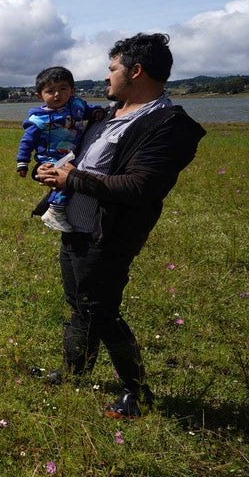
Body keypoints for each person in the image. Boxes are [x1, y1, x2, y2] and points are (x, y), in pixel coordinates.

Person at [32, 33, 206, 419]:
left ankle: (137, 392)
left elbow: (140, 187)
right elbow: (80, 158)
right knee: (79, 305)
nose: (107, 76)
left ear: (136, 71)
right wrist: (52, 170)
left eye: (112, 68)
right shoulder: (108, 114)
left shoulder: (169, 126)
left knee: (101, 310)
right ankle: (75, 372)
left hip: (109, 236)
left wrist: (71, 180)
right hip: (75, 227)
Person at [16, 66, 105, 232]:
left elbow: (88, 110)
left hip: (72, 154)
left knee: (72, 178)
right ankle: (54, 211)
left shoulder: (77, 104)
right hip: (50, 157)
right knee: (66, 180)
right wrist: (22, 162)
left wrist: (97, 111)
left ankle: (54, 208)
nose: (57, 95)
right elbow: (27, 141)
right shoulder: (37, 119)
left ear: (72, 90)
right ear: (39, 95)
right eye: (50, 91)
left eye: (63, 89)